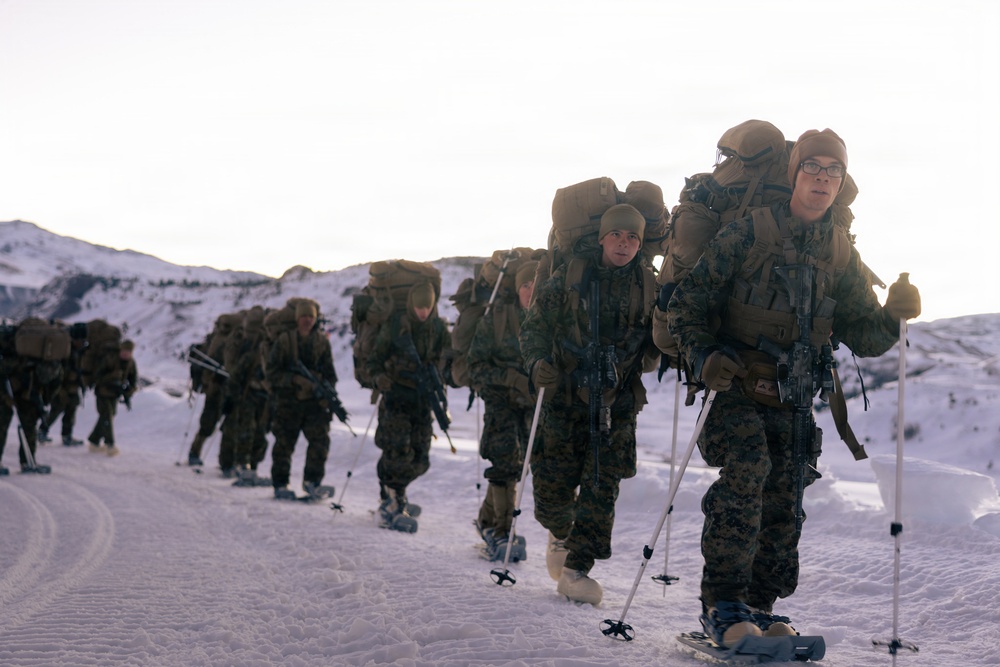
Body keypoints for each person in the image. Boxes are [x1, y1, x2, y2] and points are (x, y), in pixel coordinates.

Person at [666, 128, 922, 647]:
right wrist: (703, 354)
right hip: (733, 386)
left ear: (842, 182)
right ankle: (722, 607)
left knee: (785, 500)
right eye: (813, 168)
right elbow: (686, 305)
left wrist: (895, 315)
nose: (823, 179)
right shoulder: (747, 233)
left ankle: (759, 607)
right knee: (748, 472)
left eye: (834, 171)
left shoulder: (838, 249)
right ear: (794, 174)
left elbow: (864, 335)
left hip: (794, 398)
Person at [519, 204, 658, 605]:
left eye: (633, 237)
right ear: (601, 237)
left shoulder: (649, 287)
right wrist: (537, 363)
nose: (624, 244)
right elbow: (534, 330)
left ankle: (577, 568)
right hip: (564, 400)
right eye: (617, 235)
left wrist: (661, 348)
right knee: (552, 492)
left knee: (602, 486)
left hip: (617, 406)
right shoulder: (569, 278)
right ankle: (560, 530)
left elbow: (659, 340)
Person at [468, 260, 538, 561]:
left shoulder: (547, 320)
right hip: (500, 401)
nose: (530, 291)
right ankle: (502, 530)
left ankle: (486, 520)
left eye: (535, 285)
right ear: (516, 288)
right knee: (505, 460)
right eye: (525, 285)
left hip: (531, 404)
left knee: (519, 466)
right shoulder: (496, 319)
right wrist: (511, 378)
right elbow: (476, 366)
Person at [366, 281, 451, 526]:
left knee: (421, 458)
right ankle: (395, 499)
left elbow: (450, 355)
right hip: (397, 398)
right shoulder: (396, 327)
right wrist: (379, 378)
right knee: (397, 450)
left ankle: (391, 486)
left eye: (427, 306)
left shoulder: (438, 328)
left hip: (423, 400)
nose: (422, 311)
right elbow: (374, 360)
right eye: (419, 306)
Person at [265, 299, 343, 500]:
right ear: (297, 318)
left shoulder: (321, 341)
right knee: (284, 443)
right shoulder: (285, 341)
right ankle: (280, 483)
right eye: (304, 316)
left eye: (311, 317)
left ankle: (312, 482)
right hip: (288, 402)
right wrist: (294, 380)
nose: (307, 320)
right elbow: (272, 373)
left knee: (320, 441)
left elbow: (330, 373)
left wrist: (327, 393)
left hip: (314, 404)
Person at [223, 306, 272, 487]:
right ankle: (242, 464)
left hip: (265, 397)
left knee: (260, 432)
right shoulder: (251, 355)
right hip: (248, 395)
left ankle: (251, 467)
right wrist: (231, 398)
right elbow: (236, 377)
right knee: (247, 430)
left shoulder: (269, 353)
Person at [38, 323, 88, 446]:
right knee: (56, 410)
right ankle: (42, 431)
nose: (81, 343)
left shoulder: (79, 350)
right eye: (79, 340)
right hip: (60, 386)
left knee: (71, 410)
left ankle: (67, 436)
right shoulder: (64, 349)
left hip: (73, 386)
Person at [87, 339, 138, 457]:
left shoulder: (131, 363)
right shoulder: (110, 358)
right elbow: (98, 376)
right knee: (107, 415)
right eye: (124, 351)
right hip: (102, 392)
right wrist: (112, 379)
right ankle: (110, 444)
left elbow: (133, 380)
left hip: (114, 395)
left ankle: (94, 441)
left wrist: (128, 392)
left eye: (128, 352)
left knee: (109, 415)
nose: (125, 354)